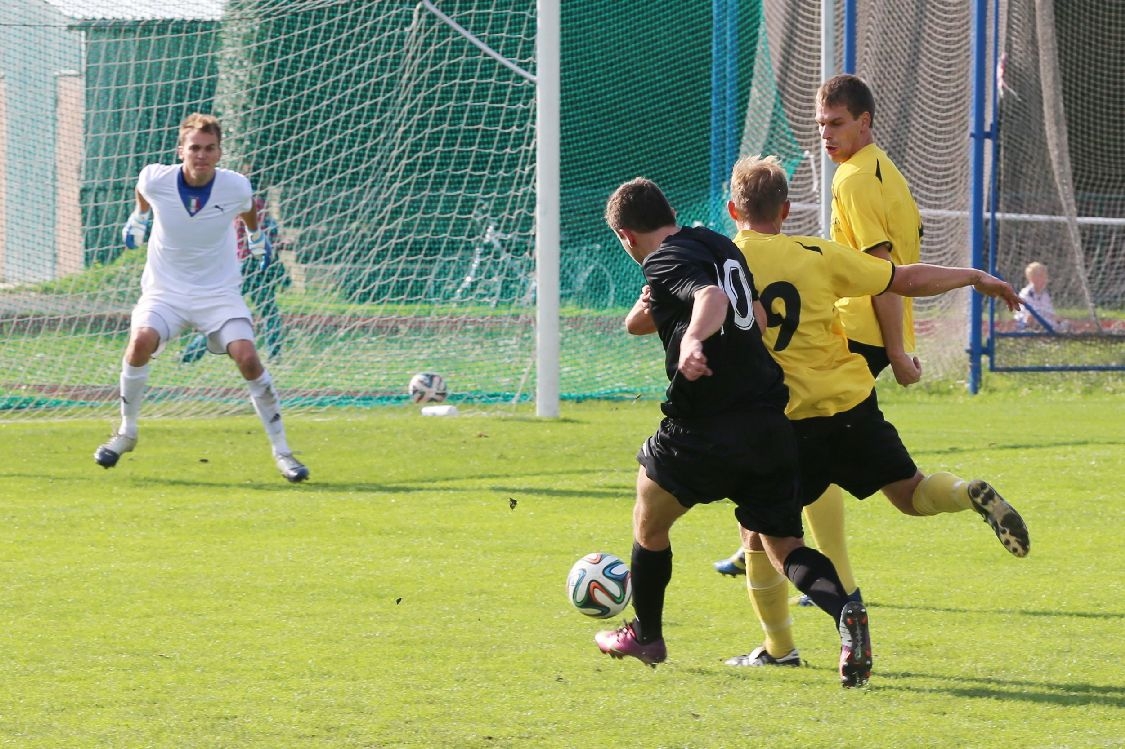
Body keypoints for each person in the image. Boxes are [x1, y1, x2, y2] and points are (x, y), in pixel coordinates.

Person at [718, 154, 1029, 668]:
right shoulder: (819, 252)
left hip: (790, 423)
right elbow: (903, 279)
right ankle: (964, 493)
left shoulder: (725, 259)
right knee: (911, 494)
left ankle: (780, 648)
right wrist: (975, 276)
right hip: (853, 404)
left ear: (734, 208)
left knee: (767, 536)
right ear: (788, 209)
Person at [597, 177, 873, 688]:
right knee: (784, 545)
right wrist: (663, 308)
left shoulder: (668, 262)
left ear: (626, 237)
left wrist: (693, 342)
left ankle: (648, 635)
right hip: (769, 422)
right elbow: (755, 315)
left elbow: (710, 298)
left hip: (704, 424)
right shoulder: (718, 244)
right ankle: (847, 615)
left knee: (648, 521)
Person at [714, 74, 923, 610]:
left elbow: (883, 268)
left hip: (858, 329)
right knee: (813, 449)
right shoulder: (883, 172)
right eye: (820, 125)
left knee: (808, 449)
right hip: (866, 326)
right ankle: (766, 544)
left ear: (864, 122)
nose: (825, 134)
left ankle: (818, 578)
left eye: (835, 123)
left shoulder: (850, 180)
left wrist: (895, 350)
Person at [93, 113, 309, 483]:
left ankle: (283, 453)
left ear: (219, 152)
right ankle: (126, 434)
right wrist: (139, 217)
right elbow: (144, 192)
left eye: (209, 149)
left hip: (218, 293)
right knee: (139, 343)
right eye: (194, 148)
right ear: (181, 150)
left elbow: (249, 210)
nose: (201, 155)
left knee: (248, 358)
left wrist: (256, 239)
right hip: (166, 292)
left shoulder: (235, 186)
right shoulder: (155, 178)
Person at [181, 162, 290, 364]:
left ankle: (190, 354)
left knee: (230, 313)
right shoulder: (255, 204)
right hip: (254, 264)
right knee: (267, 312)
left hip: (243, 264)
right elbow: (260, 233)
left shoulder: (232, 202)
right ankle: (275, 355)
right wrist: (279, 243)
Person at [1015, 261, 1067, 332]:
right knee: (1031, 319)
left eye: (1045, 276)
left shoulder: (1045, 294)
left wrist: (1054, 317)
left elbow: (1049, 311)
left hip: (1044, 320)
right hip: (1027, 321)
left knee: (1064, 323)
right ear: (1032, 278)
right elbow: (1029, 312)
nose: (1045, 279)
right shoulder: (1025, 293)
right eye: (1041, 276)